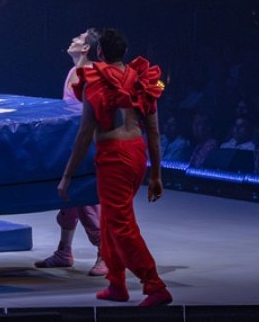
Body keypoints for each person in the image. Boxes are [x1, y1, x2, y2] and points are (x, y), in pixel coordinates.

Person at [58, 28, 173, 307]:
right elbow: (154, 132)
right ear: (124, 52)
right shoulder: (142, 80)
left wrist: (67, 176)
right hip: (136, 154)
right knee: (110, 222)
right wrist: (156, 175)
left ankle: (155, 285)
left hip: (114, 158)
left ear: (99, 52)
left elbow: (84, 134)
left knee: (121, 225)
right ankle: (117, 284)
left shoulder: (94, 82)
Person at [35, 28, 107, 276]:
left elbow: (94, 115)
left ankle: (105, 254)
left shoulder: (92, 74)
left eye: (78, 38)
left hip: (87, 144)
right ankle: (64, 251)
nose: (73, 39)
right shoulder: (72, 72)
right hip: (69, 142)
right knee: (67, 199)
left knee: (87, 201)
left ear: (86, 48)